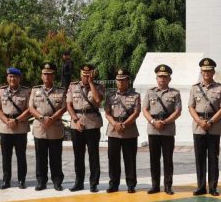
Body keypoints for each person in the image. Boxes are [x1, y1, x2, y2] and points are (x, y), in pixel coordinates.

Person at [188, 57, 221, 196]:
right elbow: (190, 106)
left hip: (214, 126)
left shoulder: (220, 88)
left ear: (213, 72)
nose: (206, 73)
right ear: (201, 71)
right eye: (204, 71)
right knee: (199, 158)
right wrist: (200, 121)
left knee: (213, 158)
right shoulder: (195, 88)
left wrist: (210, 122)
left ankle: (213, 187)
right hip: (199, 126)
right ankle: (200, 186)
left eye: (209, 71)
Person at [142, 64, 182, 195]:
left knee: (168, 159)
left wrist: (164, 122)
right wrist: (153, 122)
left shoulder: (175, 93)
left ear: (169, 79)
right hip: (153, 129)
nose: (162, 79)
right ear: (156, 78)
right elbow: (145, 109)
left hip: (168, 129)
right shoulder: (150, 92)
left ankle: (168, 186)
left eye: (165, 77)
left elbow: (178, 111)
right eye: (160, 77)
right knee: (154, 159)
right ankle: (155, 186)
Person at [66, 64, 105, 192]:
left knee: (93, 155)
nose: (86, 77)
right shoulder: (73, 86)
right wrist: (76, 121)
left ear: (92, 74)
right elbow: (69, 105)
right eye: (84, 74)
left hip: (92, 124)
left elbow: (98, 100)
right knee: (78, 155)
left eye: (88, 75)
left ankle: (93, 183)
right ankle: (79, 182)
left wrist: (91, 83)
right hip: (77, 123)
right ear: (80, 74)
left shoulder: (99, 86)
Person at [28, 62, 67, 191]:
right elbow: (31, 107)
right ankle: (41, 181)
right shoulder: (35, 90)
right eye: (45, 74)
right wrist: (41, 118)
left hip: (54, 127)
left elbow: (63, 107)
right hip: (40, 127)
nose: (47, 77)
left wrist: (52, 118)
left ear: (53, 76)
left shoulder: (60, 91)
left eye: (49, 74)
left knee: (56, 157)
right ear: (41, 75)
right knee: (40, 157)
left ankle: (57, 181)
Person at [104, 68, 141, 193]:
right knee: (113, 159)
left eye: (123, 80)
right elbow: (107, 113)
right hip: (113, 129)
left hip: (129, 130)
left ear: (128, 81)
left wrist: (124, 124)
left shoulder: (135, 95)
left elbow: (136, 112)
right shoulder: (110, 95)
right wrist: (115, 123)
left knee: (130, 159)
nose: (120, 83)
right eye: (118, 80)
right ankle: (113, 184)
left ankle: (131, 184)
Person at [0, 67, 32, 189]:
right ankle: (6, 180)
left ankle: (22, 180)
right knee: (6, 156)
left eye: (15, 77)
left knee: (21, 155)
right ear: (7, 78)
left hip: (20, 127)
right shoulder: (1, 91)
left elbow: (29, 109)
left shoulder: (26, 92)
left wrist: (16, 120)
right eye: (10, 76)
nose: (12, 79)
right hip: (5, 127)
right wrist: (6, 121)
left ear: (19, 78)